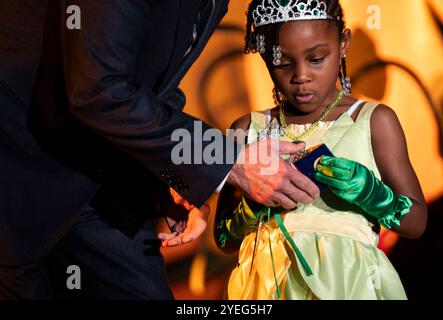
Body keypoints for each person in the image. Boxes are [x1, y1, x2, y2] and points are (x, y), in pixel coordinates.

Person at [0, 0, 320, 299]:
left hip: (104, 180)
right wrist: (228, 162)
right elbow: (99, 91)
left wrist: (175, 175)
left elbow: (154, 83)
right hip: (22, 170)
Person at [214, 0, 428, 300]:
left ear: (343, 44)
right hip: (264, 289)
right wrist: (252, 205)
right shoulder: (247, 129)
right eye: (283, 63)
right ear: (264, 56)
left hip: (348, 284)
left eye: (316, 59)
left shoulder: (371, 120)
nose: (301, 76)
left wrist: (371, 193)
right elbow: (223, 237)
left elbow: (417, 222)